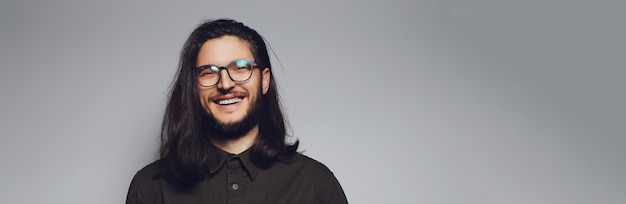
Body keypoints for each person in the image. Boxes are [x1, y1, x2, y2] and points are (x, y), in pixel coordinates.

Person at [126, 19, 348, 204]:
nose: (225, 83)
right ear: (192, 88)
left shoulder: (315, 184)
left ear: (264, 81)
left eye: (240, 67)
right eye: (208, 72)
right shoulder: (150, 188)